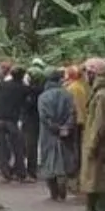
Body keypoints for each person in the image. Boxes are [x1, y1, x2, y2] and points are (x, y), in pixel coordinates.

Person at [74, 58, 105, 211]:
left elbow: (100, 124)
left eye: (87, 73)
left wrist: (92, 144)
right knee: (91, 181)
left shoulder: (103, 95)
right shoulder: (97, 92)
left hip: (100, 145)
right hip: (93, 143)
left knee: (99, 181)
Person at [37, 69, 77, 200]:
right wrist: (65, 127)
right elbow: (72, 113)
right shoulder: (68, 95)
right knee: (64, 159)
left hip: (48, 134)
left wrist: (54, 128)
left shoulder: (43, 97)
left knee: (48, 161)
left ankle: (53, 191)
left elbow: (44, 117)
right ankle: (62, 186)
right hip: (65, 133)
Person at [0, 65, 28, 182]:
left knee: (2, 149)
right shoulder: (22, 88)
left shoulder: (2, 85)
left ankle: (6, 173)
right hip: (12, 121)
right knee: (18, 148)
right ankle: (21, 173)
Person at [22, 66, 43, 181]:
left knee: (31, 147)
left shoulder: (31, 92)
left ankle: (32, 173)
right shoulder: (42, 89)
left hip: (31, 122)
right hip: (40, 121)